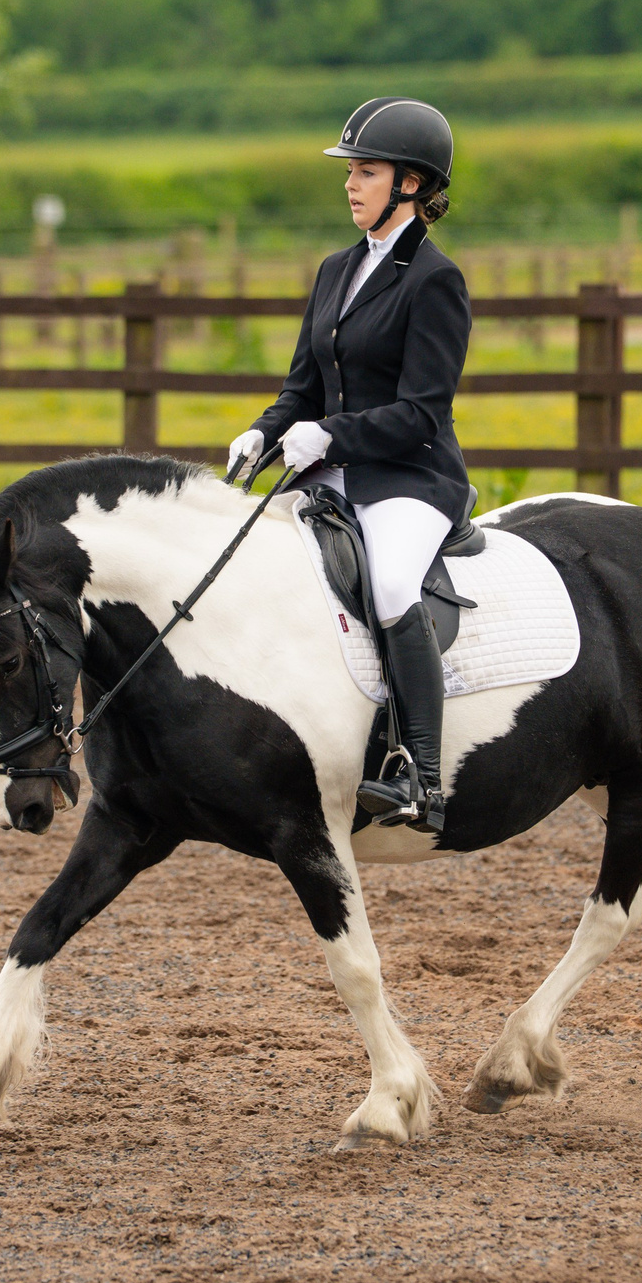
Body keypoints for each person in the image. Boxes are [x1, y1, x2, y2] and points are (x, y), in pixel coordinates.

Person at [227, 97, 472, 834]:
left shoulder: (434, 280)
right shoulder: (337, 270)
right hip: (328, 475)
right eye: (350, 172)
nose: (350, 184)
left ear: (410, 183)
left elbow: (422, 411)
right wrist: (264, 432)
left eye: (365, 171)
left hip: (410, 477)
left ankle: (421, 776)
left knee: (393, 584)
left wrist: (329, 435)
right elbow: (301, 386)